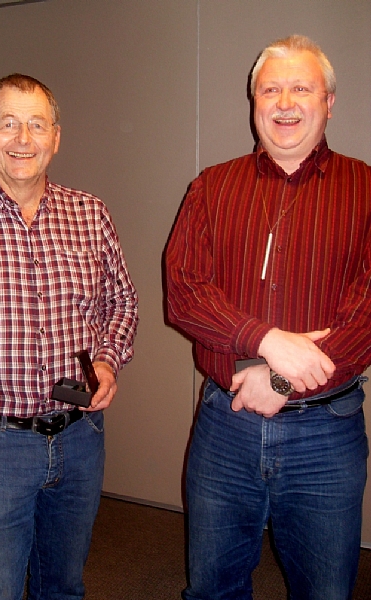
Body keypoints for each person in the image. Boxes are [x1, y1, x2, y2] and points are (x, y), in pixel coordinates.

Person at [0, 73, 138, 600]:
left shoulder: (90, 213)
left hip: (81, 438)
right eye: (7, 124)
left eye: (37, 125)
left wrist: (106, 361)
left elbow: (121, 302)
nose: (23, 139)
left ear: (56, 137)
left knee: (63, 586)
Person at [166, 35, 370, 600]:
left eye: (300, 87)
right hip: (223, 427)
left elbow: (369, 310)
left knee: (325, 591)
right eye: (270, 89)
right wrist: (267, 339)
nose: (284, 102)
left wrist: (278, 376)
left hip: (325, 434)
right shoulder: (211, 186)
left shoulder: (367, 188)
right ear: (253, 102)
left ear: (329, 101)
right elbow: (184, 292)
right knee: (212, 588)